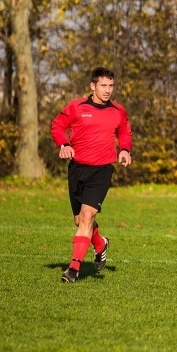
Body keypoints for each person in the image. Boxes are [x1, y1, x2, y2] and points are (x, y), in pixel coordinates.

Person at [51, 66, 132, 283]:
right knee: (80, 220)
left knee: (87, 216)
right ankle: (100, 244)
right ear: (93, 86)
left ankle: (73, 269)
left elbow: (124, 130)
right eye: (103, 86)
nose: (107, 90)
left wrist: (125, 148)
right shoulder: (77, 106)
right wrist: (64, 144)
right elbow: (57, 126)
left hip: (102, 170)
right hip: (77, 169)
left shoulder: (117, 110)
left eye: (111, 86)